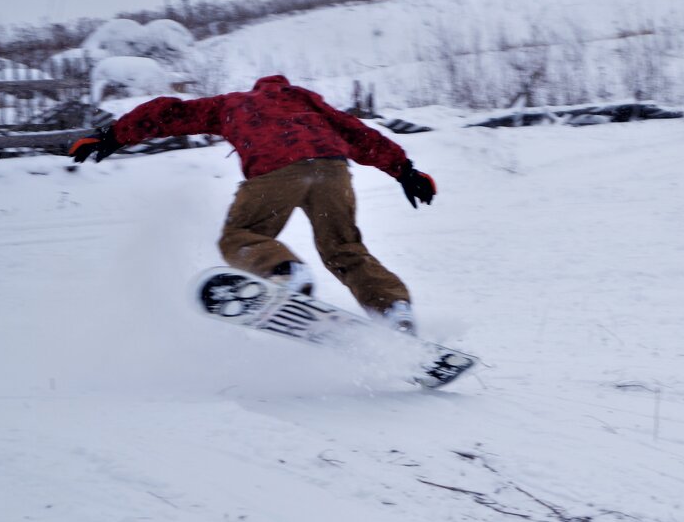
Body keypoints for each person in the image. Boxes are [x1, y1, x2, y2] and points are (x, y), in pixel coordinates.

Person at [68, 75, 437, 334]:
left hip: (277, 170)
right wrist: (406, 171)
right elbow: (360, 134)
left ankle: (285, 272)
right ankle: (394, 310)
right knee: (345, 249)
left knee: (240, 237)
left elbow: (170, 113)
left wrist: (112, 136)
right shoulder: (310, 104)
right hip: (332, 169)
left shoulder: (235, 103)